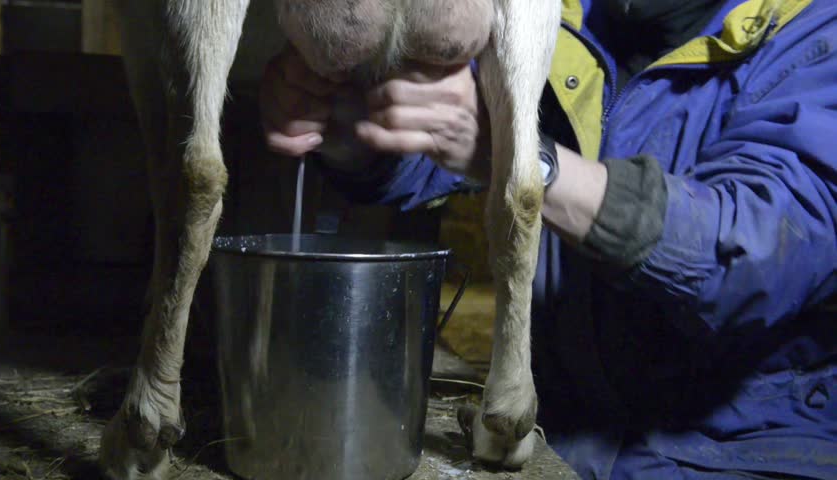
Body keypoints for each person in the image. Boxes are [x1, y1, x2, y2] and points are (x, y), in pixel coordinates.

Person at [259, 0, 837, 478]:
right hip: (560, 433)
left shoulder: (814, 30)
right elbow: (446, 155)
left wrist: (524, 159)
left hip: (746, 448)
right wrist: (349, 129)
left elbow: (758, 253)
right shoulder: (568, 19)